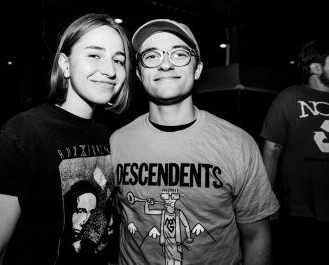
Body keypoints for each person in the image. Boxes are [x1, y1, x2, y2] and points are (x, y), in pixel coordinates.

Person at [110, 19, 279, 265]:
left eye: (179, 54)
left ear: (197, 69)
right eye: (151, 56)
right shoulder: (116, 142)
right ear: (138, 72)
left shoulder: (238, 144)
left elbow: (256, 237)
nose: (166, 64)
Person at [0, 13, 133, 265]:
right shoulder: (24, 133)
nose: (110, 70)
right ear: (65, 65)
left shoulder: (108, 135)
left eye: (119, 60)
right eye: (94, 55)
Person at [260, 38, 329, 264]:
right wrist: (266, 199)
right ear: (316, 68)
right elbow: (271, 150)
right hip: (301, 211)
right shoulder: (291, 96)